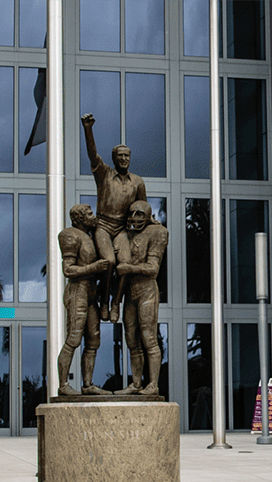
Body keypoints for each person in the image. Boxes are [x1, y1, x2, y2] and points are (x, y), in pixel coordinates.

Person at [82, 113, 147, 323]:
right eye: (120, 156)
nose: (123, 159)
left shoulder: (137, 182)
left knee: (124, 264)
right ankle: (103, 301)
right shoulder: (104, 174)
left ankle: (116, 302)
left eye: (126, 156)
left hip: (121, 229)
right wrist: (88, 129)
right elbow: (92, 154)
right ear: (114, 159)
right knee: (109, 261)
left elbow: (143, 207)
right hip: (103, 225)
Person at [112, 200, 168, 396]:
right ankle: (136, 383)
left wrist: (129, 268)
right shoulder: (125, 235)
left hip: (146, 290)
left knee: (149, 338)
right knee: (131, 339)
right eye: (131, 213)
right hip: (130, 291)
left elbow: (153, 268)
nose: (134, 218)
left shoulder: (157, 233)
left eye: (139, 214)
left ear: (147, 216)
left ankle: (153, 384)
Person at [56, 204, 111, 397]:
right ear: (78, 219)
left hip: (90, 292)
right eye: (88, 214)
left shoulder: (91, 234)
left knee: (93, 340)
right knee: (73, 339)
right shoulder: (69, 235)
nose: (93, 216)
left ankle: (87, 384)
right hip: (77, 290)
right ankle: (63, 385)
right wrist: (94, 267)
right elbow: (68, 270)